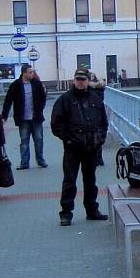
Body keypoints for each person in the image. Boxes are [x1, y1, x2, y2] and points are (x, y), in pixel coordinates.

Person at [51, 68, 109, 226]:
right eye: (78, 79)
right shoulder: (65, 100)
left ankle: (92, 210)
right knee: (70, 180)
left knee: (90, 181)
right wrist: (69, 140)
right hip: (73, 149)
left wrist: (100, 138)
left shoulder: (95, 99)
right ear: (74, 80)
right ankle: (66, 212)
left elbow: (103, 122)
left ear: (88, 80)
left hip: (92, 148)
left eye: (83, 79)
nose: (80, 82)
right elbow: (56, 124)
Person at [2, 65, 48, 169]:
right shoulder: (15, 85)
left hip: (36, 118)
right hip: (23, 119)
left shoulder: (36, 83)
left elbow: (43, 98)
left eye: (33, 72)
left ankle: (40, 160)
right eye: (30, 72)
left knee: (39, 139)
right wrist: (4, 116)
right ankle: (24, 162)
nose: (33, 74)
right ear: (24, 73)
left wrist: (40, 109)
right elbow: (8, 101)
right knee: (24, 141)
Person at [88, 71, 107, 166]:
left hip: (97, 114)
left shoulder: (96, 88)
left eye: (92, 76)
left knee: (97, 138)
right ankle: (96, 158)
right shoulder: (97, 88)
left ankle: (99, 158)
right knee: (93, 138)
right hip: (93, 114)